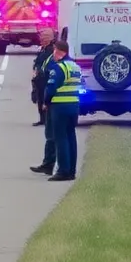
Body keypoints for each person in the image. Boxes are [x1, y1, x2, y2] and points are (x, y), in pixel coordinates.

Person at [39, 40, 81, 181]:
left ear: (58, 51)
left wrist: (45, 102)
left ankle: (63, 170)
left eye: (54, 51)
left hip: (60, 106)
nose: (53, 54)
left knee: (60, 138)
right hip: (74, 105)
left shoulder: (60, 67)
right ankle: (71, 171)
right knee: (71, 138)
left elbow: (51, 88)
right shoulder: (75, 66)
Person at [30, 27, 56, 127]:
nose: (41, 39)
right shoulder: (43, 49)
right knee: (39, 97)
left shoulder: (51, 50)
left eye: (43, 38)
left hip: (46, 77)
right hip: (40, 77)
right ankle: (42, 119)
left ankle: (47, 119)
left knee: (45, 98)